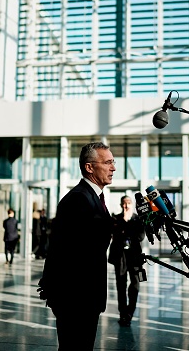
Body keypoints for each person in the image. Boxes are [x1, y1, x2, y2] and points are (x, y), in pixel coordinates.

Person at [38, 142, 115, 350]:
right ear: (89, 167)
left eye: (113, 162)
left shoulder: (92, 197)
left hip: (83, 295)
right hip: (76, 298)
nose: (113, 167)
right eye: (107, 162)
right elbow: (73, 251)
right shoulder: (79, 199)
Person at [108, 195, 145, 327]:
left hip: (134, 256)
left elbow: (140, 236)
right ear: (121, 205)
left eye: (129, 203)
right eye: (124, 203)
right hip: (120, 256)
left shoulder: (138, 219)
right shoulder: (116, 219)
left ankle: (130, 311)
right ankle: (123, 313)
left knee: (135, 283)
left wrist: (126, 226)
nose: (127, 206)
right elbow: (115, 235)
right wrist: (123, 221)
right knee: (121, 284)